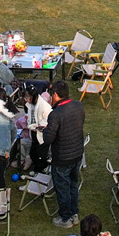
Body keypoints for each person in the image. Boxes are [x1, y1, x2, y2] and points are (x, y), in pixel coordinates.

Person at [44, 80, 87, 227]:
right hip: (77, 153)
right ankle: (74, 213)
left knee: (62, 188)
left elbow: (48, 139)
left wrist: (45, 129)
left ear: (55, 95)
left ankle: (65, 218)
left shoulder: (55, 114)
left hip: (62, 157)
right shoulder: (78, 105)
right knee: (73, 184)